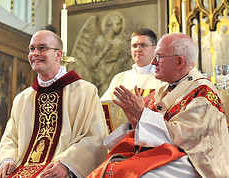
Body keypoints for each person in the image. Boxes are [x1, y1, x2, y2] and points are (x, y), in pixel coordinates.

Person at [88, 33, 229, 177]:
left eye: (159, 57)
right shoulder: (163, 90)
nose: (153, 62)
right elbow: (151, 130)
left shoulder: (202, 91)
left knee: (135, 174)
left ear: (179, 62)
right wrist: (135, 120)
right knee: (111, 166)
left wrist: (142, 114)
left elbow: (184, 138)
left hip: (196, 160)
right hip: (168, 152)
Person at [0, 30, 108, 178]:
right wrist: (7, 159)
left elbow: (96, 137)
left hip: (58, 172)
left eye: (42, 48)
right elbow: (10, 138)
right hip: (21, 170)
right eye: (32, 49)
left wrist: (67, 164)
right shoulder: (23, 98)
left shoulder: (84, 91)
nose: (35, 53)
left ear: (58, 54)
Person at [101, 28, 163, 101]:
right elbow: (104, 105)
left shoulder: (163, 79)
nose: (138, 49)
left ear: (154, 49)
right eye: (134, 46)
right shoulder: (120, 79)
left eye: (143, 45)